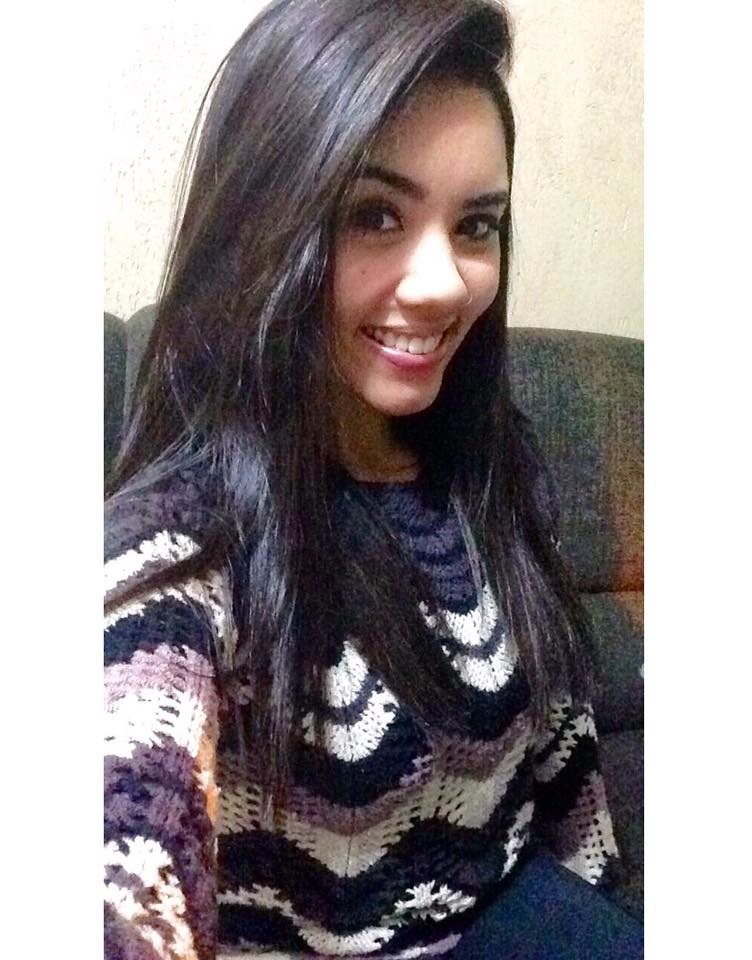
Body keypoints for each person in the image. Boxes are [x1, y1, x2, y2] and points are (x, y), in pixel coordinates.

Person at [104, 1, 643, 958]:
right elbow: (129, 830)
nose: (443, 283)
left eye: (477, 224)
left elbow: (564, 745)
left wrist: (604, 900)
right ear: (264, 223)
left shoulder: (498, 466)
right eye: (374, 215)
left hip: (518, 909)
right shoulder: (179, 543)